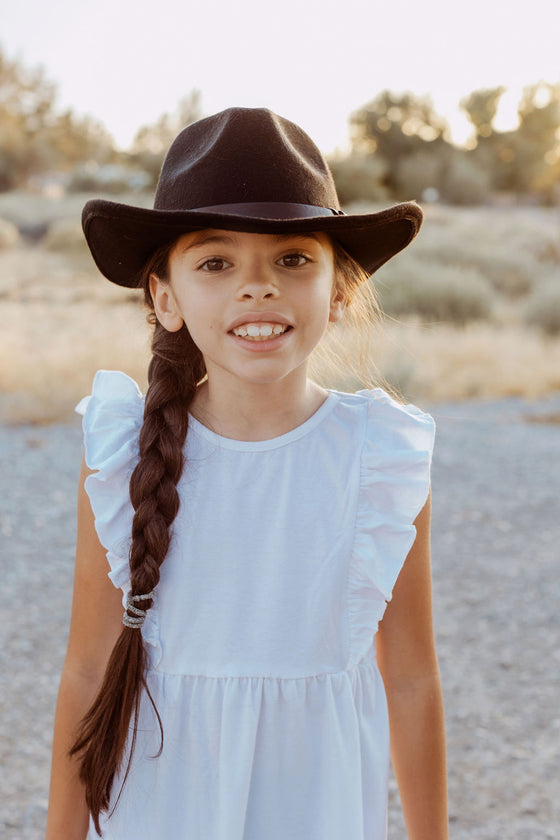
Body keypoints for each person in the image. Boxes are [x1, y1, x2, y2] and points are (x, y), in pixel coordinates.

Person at [45, 106, 448, 840]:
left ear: (339, 290)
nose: (257, 287)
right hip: (158, 805)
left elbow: (414, 676)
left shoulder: (381, 454)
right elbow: (86, 668)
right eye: (215, 262)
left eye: (293, 258)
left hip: (315, 805)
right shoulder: (119, 453)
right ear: (164, 298)